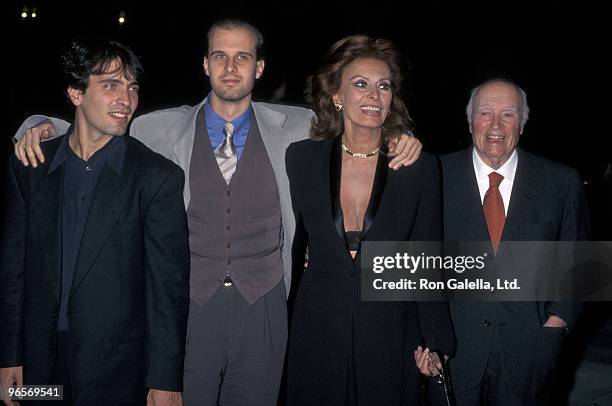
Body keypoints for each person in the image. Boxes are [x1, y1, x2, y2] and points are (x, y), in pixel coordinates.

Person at [11, 19, 422, 405]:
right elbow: (98, 129)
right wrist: (41, 124)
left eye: (242, 57)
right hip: (189, 308)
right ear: (204, 64)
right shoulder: (158, 128)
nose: (230, 66)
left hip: (263, 306)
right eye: (220, 56)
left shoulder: (298, 125)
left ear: (259, 67)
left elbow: (358, 123)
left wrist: (401, 138)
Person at [0, 39, 190, 405]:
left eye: (132, 87)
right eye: (110, 85)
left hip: (117, 374)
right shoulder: (29, 169)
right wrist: (9, 355)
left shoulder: (157, 177)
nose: (126, 99)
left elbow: (168, 291)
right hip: (38, 369)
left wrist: (165, 380)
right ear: (76, 93)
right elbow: (13, 272)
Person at [284, 35, 455, 405]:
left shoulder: (418, 168)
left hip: (391, 330)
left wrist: (435, 342)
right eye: (360, 84)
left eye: (384, 86)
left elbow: (427, 261)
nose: (374, 96)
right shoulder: (300, 159)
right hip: (317, 328)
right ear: (336, 95)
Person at [441, 79, 590, 405]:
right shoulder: (435, 176)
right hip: (451, 355)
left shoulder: (560, 182)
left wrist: (556, 325)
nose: (496, 124)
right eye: (485, 113)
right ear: (470, 122)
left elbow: (581, 264)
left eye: (508, 114)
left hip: (530, 355)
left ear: (522, 124)